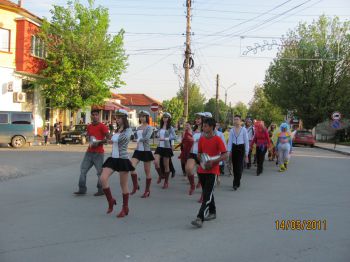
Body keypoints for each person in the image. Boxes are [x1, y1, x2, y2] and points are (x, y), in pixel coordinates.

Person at [191, 117, 227, 228]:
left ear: (211, 127)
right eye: (203, 126)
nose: (203, 127)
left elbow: (225, 155)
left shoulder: (217, 139)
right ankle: (213, 212)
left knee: (206, 195)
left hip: (213, 170)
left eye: (205, 126)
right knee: (208, 192)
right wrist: (200, 159)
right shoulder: (202, 139)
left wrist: (213, 162)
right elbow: (199, 153)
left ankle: (199, 217)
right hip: (202, 170)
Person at [100, 109, 135, 218]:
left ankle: (125, 208)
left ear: (124, 118)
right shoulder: (117, 129)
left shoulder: (128, 130)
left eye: (119, 118)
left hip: (122, 159)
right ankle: (111, 200)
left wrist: (112, 139)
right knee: (103, 178)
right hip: (113, 158)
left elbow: (124, 139)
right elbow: (112, 139)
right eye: (117, 117)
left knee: (123, 185)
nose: (117, 120)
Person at [74, 110, 110, 196]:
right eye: (93, 115)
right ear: (91, 116)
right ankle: (82, 189)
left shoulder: (102, 126)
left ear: (99, 116)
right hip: (89, 152)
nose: (94, 116)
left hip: (99, 153)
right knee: (83, 170)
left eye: (96, 115)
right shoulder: (89, 126)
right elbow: (89, 136)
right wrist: (86, 137)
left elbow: (108, 138)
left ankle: (101, 189)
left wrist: (99, 142)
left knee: (99, 172)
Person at [130, 110, 154, 198]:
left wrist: (138, 140)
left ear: (147, 117)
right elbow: (135, 137)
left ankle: (147, 191)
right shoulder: (138, 127)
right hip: (138, 150)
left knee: (147, 172)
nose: (142, 118)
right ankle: (135, 185)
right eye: (140, 116)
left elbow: (147, 138)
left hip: (146, 151)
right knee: (131, 167)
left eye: (144, 116)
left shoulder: (149, 127)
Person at [154, 112, 177, 189]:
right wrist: (157, 134)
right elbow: (157, 134)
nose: (165, 118)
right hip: (159, 147)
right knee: (156, 162)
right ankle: (161, 175)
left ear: (169, 119)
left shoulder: (170, 128)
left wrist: (165, 139)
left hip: (167, 147)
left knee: (166, 165)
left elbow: (174, 137)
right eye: (164, 117)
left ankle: (166, 182)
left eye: (166, 117)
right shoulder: (160, 126)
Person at [227, 115, 249, 190]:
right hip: (234, 148)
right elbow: (229, 141)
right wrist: (228, 151)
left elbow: (246, 141)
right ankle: (235, 182)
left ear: (240, 121)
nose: (236, 120)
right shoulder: (232, 130)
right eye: (235, 119)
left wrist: (246, 153)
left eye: (237, 119)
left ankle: (237, 181)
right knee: (235, 166)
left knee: (239, 167)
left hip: (241, 148)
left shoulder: (244, 130)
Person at [185, 112, 204, 195]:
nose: (197, 120)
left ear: (203, 120)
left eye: (199, 119)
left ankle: (203, 192)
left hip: (203, 153)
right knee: (188, 169)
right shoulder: (193, 130)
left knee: (202, 172)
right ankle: (192, 184)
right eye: (196, 119)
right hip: (193, 153)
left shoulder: (206, 130)